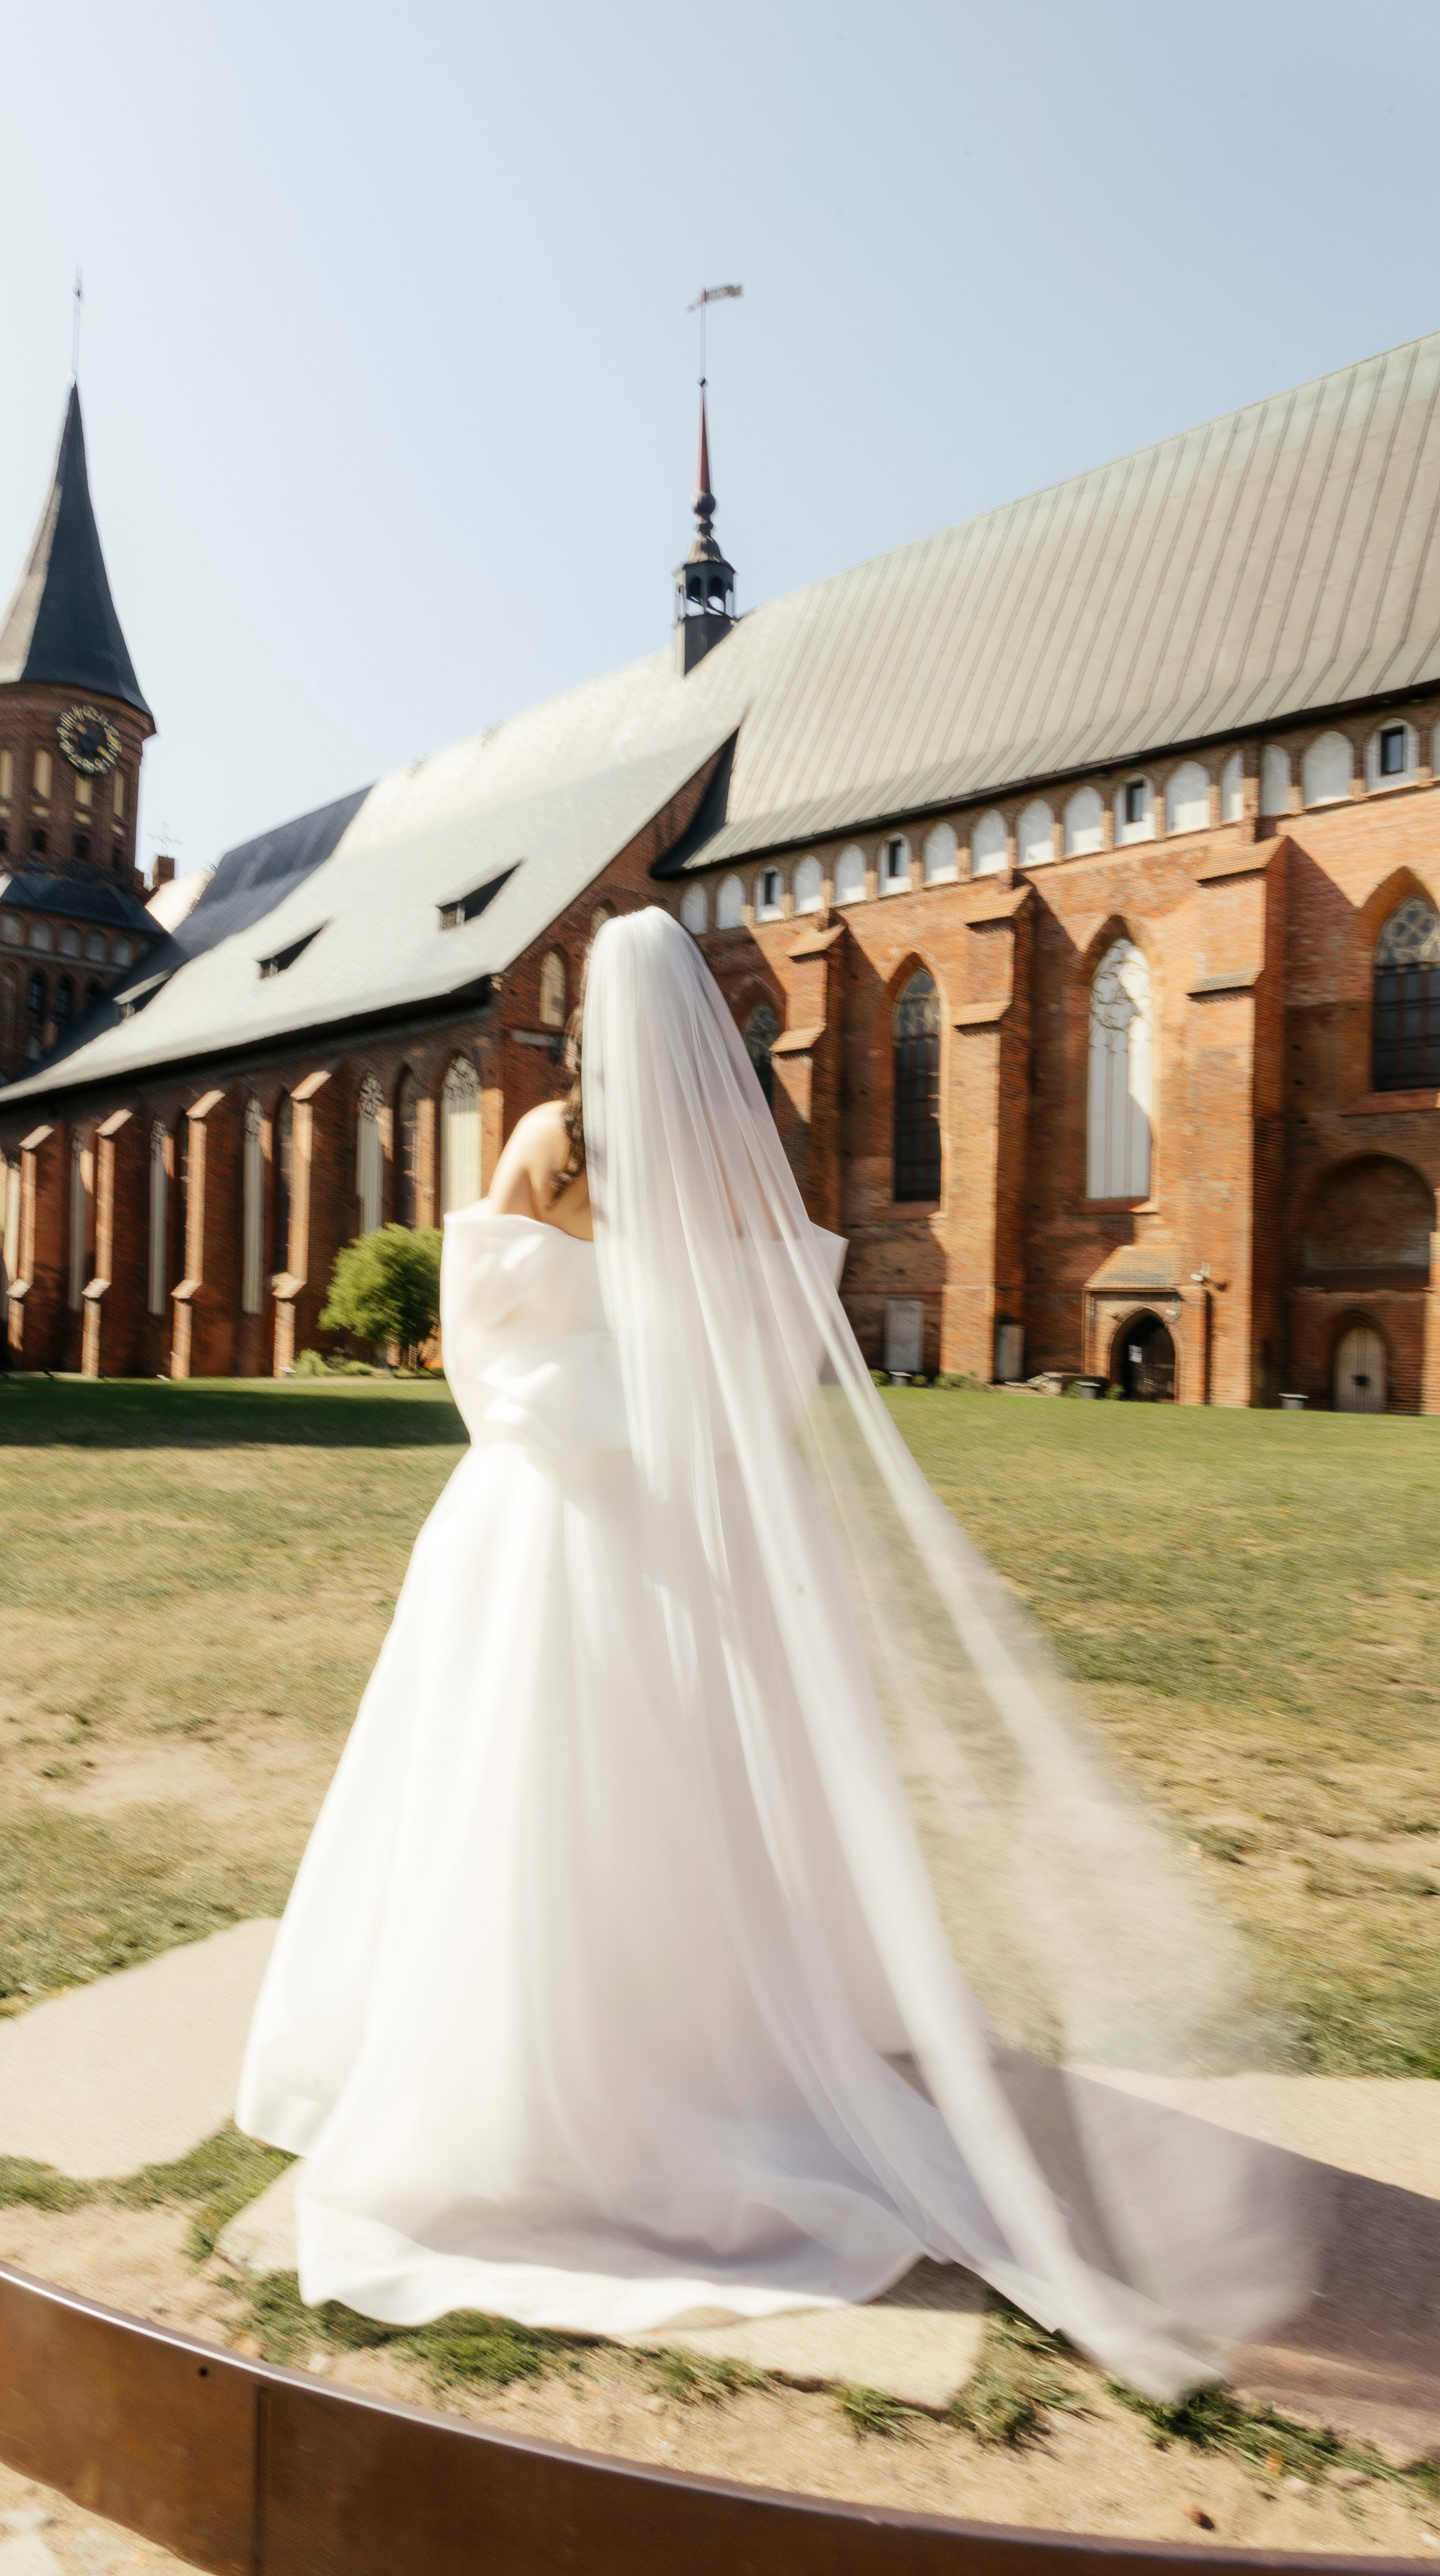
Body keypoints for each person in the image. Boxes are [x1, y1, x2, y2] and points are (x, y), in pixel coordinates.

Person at [237, 908, 1308, 2396]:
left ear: (586, 1019)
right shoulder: (748, 1159)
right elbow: (773, 1352)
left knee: (526, 1769)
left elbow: (479, 1345)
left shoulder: (552, 1142)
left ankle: (537, 2067)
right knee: (714, 1775)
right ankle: (737, 2026)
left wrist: (579, 1411)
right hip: (720, 1519)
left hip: (558, 1512)